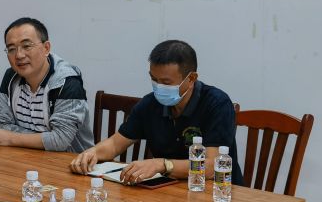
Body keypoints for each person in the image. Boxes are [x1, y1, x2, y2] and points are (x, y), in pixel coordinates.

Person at [70, 39, 243, 185]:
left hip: (217, 192)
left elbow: (212, 166)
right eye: (154, 79)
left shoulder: (217, 104)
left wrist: (163, 165)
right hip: (167, 190)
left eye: (166, 82)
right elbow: (115, 144)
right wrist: (91, 153)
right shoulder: (150, 104)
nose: (159, 87)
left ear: (191, 79)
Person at [0, 17, 93, 153]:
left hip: (69, 161)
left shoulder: (67, 81)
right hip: (24, 157)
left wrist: (11, 138)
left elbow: (60, 140)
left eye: (26, 46)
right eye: (12, 49)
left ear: (46, 48)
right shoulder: (11, 77)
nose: (19, 55)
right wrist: (45, 138)